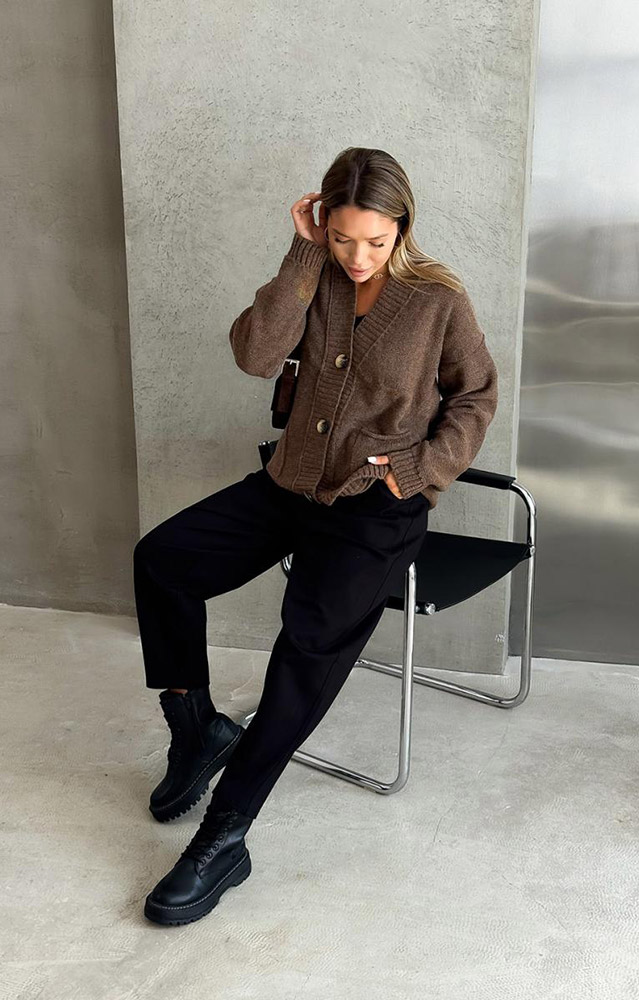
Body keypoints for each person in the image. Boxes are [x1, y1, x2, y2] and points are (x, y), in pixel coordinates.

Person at [135, 146, 499, 925]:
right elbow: (255, 354)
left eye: (376, 241)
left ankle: (224, 836)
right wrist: (303, 257)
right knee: (163, 560)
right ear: (321, 225)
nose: (358, 257)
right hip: (289, 481)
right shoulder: (315, 276)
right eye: (342, 238)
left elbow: (475, 395)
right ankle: (195, 730)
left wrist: (419, 469)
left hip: (375, 507)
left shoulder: (436, 298)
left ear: (402, 227)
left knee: (303, 654)